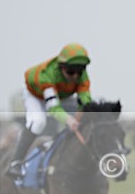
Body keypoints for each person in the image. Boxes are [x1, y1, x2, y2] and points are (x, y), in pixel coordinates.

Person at [6, 43, 92, 178]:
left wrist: (83, 112)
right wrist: (69, 120)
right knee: (38, 122)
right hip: (36, 95)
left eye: (79, 70)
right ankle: (15, 162)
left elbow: (85, 99)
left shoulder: (82, 75)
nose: (75, 75)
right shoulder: (47, 76)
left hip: (62, 95)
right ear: (61, 67)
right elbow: (53, 108)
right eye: (71, 71)